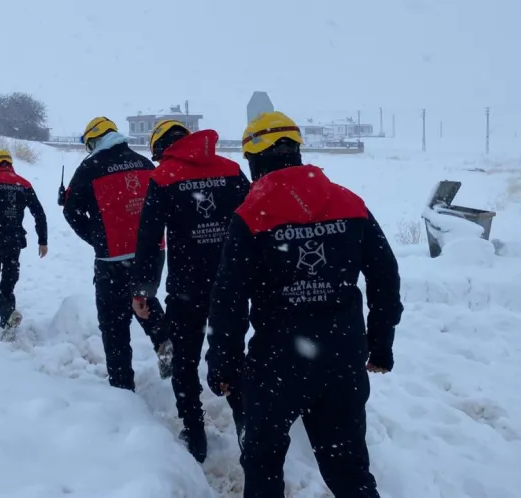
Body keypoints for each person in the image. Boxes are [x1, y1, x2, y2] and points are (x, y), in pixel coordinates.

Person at [205, 111, 403, 498]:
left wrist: (224, 363)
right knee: (348, 470)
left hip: (278, 365)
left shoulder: (251, 215)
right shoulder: (350, 203)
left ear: (255, 159)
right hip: (342, 359)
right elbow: (385, 277)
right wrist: (380, 343)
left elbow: (229, 298)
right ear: (296, 150)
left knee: (263, 465)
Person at [131, 119, 250, 462]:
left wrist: (142, 290)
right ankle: (247, 428)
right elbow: (255, 220)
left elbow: (149, 237)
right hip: (231, 284)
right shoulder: (231, 170)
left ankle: (195, 433)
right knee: (232, 356)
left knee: (184, 361)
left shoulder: (163, 177)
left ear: (161, 149)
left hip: (187, 288)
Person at [62, 116, 171, 391]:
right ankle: (164, 341)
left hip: (113, 258)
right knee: (143, 297)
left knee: (114, 325)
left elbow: (71, 211)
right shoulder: (144, 162)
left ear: (93, 141)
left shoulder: (90, 167)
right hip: (151, 252)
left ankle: (122, 389)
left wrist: (96, 238)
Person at [0, 149, 48, 332]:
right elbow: (39, 213)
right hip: (15, 241)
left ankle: (7, 313)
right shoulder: (24, 184)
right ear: (10, 164)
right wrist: (43, 240)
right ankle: (9, 327)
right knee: (7, 286)